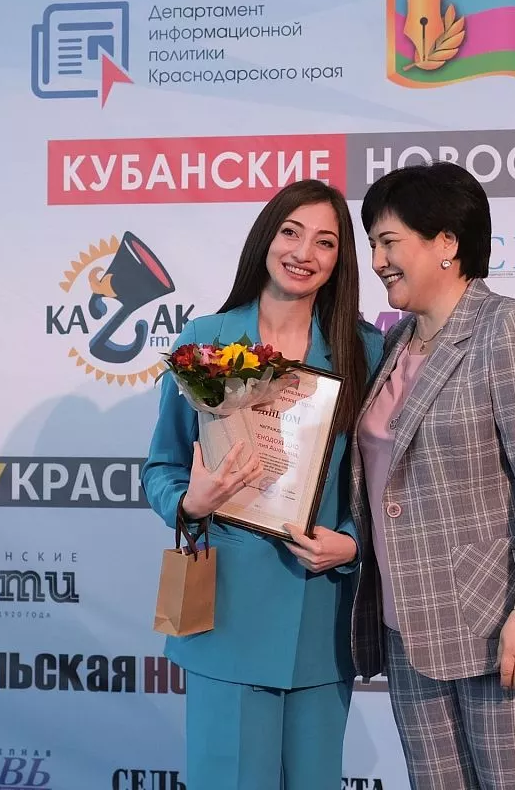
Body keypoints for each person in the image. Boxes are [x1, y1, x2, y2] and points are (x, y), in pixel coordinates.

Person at [349, 161, 515, 789]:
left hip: (501, 621)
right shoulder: (396, 343)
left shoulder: (511, 328)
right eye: (373, 245)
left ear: (446, 242)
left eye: (389, 242)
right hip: (412, 627)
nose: (378, 261)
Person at [141, 179, 385, 790]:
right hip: (225, 611)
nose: (304, 252)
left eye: (325, 241)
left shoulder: (366, 350)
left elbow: (392, 484)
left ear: (340, 260)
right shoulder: (205, 340)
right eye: (291, 232)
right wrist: (190, 502)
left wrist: (353, 542)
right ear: (265, 239)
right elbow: (161, 467)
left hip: (322, 613)